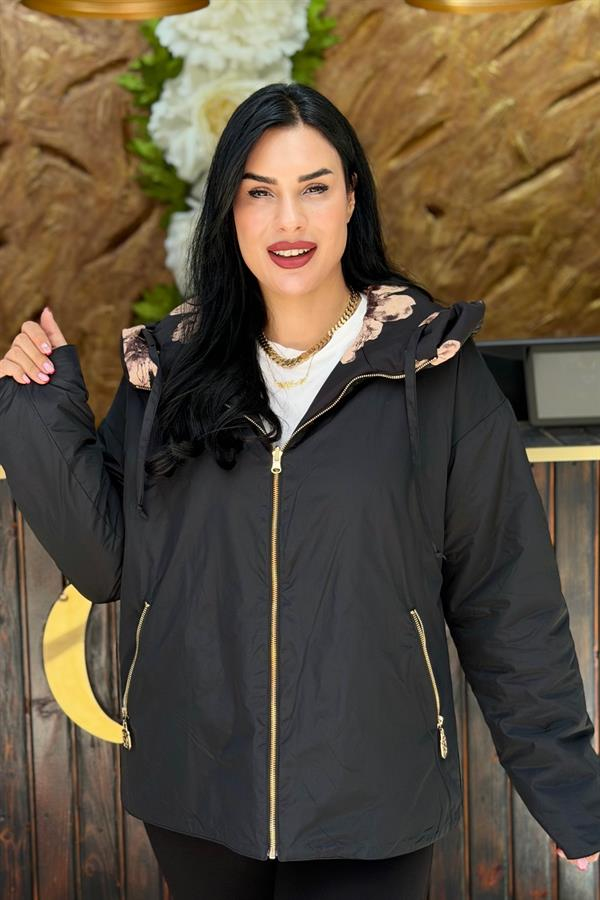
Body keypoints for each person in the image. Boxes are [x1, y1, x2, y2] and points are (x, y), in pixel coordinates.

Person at [0, 82, 599, 899]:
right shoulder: (168, 372)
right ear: (229, 211)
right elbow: (106, 564)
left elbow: (506, 593)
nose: (289, 220)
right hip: (199, 786)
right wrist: (37, 414)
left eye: (314, 188)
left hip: (372, 793)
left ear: (352, 197)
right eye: (260, 193)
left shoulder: (433, 373)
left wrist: (569, 791)